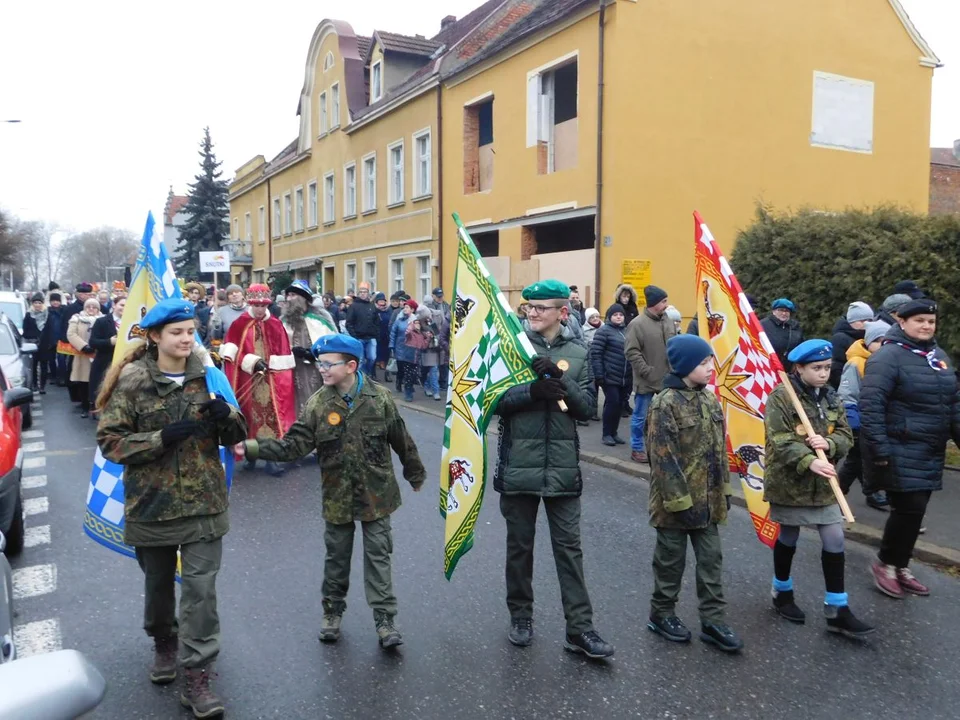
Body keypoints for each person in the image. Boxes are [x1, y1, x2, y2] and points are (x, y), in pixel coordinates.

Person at [96, 298, 247, 719]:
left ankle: (197, 672)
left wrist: (226, 416)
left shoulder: (208, 374)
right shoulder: (131, 381)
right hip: (153, 504)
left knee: (201, 591)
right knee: (159, 588)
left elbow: (236, 432)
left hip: (204, 502)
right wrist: (162, 437)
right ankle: (164, 642)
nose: (186, 339)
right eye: (177, 332)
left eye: (190, 331)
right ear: (156, 336)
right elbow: (111, 443)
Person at [242, 334, 425, 649]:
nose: (321, 369)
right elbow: (294, 445)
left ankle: (385, 621)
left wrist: (415, 472)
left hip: (377, 494)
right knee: (337, 559)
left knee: (379, 556)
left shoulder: (379, 398)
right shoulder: (318, 403)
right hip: (337, 495)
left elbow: (401, 438)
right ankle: (332, 614)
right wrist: (253, 447)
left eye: (328, 363)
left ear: (351, 366)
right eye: (319, 363)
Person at [493, 279, 614, 659]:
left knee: (569, 550)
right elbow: (492, 401)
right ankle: (521, 616)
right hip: (519, 466)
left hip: (562, 468)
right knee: (519, 548)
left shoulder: (579, 351)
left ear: (563, 312)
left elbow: (585, 408)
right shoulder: (510, 349)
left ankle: (580, 628)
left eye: (541, 307)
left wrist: (559, 380)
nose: (532, 312)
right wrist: (531, 392)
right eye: (529, 306)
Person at [764, 339, 873, 638]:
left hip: (824, 482)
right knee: (789, 533)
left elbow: (846, 435)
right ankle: (781, 591)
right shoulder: (781, 398)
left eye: (827, 368)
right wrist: (809, 460)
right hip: (791, 481)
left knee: (834, 537)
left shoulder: (831, 397)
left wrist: (830, 443)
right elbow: (780, 439)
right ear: (798, 369)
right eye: (816, 368)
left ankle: (836, 607)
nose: (824, 374)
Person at [645, 335, 741, 652]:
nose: (711, 367)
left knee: (711, 562)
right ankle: (662, 613)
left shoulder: (709, 400)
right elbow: (663, 459)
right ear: (686, 366)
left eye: (710, 361)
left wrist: (724, 490)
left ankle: (713, 620)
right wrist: (679, 502)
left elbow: (718, 452)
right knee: (670, 563)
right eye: (703, 363)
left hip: (708, 502)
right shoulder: (665, 403)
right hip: (674, 505)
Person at [861, 298, 960, 599]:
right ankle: (884, 564)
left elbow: (953, 401)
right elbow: (871, 407)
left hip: (929, 449)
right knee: (908, 509)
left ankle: (900, 565)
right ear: (901, 323)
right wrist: (880, 450)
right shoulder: (888, 357)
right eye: (919, 321)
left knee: (915, 513)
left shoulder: (936, 356)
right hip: (898, 446)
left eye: (930, 321)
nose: (927, 326)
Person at [220, 283, 296, 477]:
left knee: (270, 419)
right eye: (257, 305)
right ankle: (251, 456)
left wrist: (275, 369)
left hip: (271, 382)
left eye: (264, 306)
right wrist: (252, 362)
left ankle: (271, 459)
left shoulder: (276, 324)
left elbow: (284, 353)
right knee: (250, 418)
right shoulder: (240, 324)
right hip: (249, 379)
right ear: (250, 304)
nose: (260, 309)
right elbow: (232, 352)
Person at [837, 320, 891, 510]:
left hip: (879, 420)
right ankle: (837, 493)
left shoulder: (888, 362)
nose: (882, 344)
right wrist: (853, 421)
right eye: (878, 340)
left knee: (865, 460)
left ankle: (872, 492)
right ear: (868, 342)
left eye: (887, 340)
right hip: (861, 420)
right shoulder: (856, 362)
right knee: (855, 460)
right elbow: (847, 394)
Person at [624, 285, 675, 464]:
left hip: (667, 379)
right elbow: (631, 352)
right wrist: (646, 370)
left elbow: (674, 344)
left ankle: (659, 448)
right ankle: (637, 448)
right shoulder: (637, 324)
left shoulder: (667, 320)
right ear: (654, 303)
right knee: (640, 416)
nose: (667, 305)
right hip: (646, 380)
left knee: (663, 418)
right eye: (663, 301)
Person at [282, 280, 337, 415]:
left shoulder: (320, 320)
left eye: (293, 295)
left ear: (303, 298)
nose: (289, 299)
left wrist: (313, 354)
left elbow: (333, 344)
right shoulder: (283, 322)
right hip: (294, 370)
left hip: (318, 370)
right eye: (288, 295)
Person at [589, 304, 631, 447]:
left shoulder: (627, 331)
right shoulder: (603, 331)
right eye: (615, 315)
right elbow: (595, 353)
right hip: (610, 375)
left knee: (620, 405)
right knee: (612, 403)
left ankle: (614, 433)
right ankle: (606, 434)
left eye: (621, 314)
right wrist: (599, 374)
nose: (618, 317)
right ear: (609, 317)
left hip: (625, 376)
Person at [89, 294, 126, 414]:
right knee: (103, 388)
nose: (124, 308)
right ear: (114, 305)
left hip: (125, 362)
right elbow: (93, 342)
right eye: (121, 305)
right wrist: (109, 342)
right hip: (105, 361)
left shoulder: (132, 323)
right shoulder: (102, 321)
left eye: (127, 306)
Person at [67, 297, 103, 418]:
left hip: (99, 354)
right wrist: (83, 346)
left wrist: (98, 346)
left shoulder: (103, 319)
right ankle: (84, 405)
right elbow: (71, 334)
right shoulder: (76, 319)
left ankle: (96, 405)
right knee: (83, 382)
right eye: (88, 307)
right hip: (82, 355)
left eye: (94, 307)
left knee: (98, 381)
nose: (91, 309)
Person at [59, 282, 93, 395]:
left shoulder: (98, 307)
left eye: (88, 294)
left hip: (94, 344)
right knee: (75, 371)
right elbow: (65, 328)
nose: (86, 296)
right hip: (76, 346)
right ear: (78, 294)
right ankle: (77, 396)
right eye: (83, 294)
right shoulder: (70, 309)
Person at [829, 301, 873, 390]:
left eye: (870, 320)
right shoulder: (840, 339)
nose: (867, 324)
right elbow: (836, 368)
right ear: (851, 321)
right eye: (862, 321)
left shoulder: (870, 337)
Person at [345, 283, 380, 375]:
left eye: (365, 292)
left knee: (372, 357)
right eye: (361, 292)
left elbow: (377, 321)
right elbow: (348, 323)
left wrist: (376, 332)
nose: (363, 294)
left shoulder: (372, 306)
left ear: (368, 293)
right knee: (360, 360)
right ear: (358, 293)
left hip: (371, 337)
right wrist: (354, 336)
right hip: (359, 337)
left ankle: (366, 374)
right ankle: (360, 377)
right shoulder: (354, 306)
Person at [760, 298, 804, 369]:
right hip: (767, 367)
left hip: (788, 369)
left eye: (786, 311)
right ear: (773, 311)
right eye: (780, 310)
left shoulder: (795, 326)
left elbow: (800, 346)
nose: (784, 313)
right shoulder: (763, 325)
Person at [23, 293, 52, 394]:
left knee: (44, 365)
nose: (37, 305)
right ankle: (34, 384)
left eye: (39, 303)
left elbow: (50, 328)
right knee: (34, 365)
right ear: (32, 304)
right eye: (35, 302)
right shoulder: (28, 314)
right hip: (32, 344)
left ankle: (42, 386)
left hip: (44, 343)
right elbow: (25, 330)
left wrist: (49, 341)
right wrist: (32, 337)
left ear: (42, 304)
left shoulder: (47, 314)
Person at [390, 300, 417, 401]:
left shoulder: (416, 321)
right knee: (402, 369)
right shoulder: (399, 321)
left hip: (413, 349)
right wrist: (392, 346)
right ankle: (400, 382)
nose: (405, 309)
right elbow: (393, 333)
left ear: (412, 310)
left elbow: (423, 332)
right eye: (404, 307)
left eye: (407, 307)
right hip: (400, 348)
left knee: (411, 372)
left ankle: (408, 391)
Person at [39, 292, 64, 389]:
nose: (55, 303)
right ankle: (53, 376)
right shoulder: (47, 312)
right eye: (53, 301)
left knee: (61, 359)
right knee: (51, 360)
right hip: (50, 338)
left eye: (57, 301)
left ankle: (61, 377)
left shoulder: (63, 311)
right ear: (50, 302)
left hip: (61, 338)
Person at [375, 292, 393, 380]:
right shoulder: (375, 311)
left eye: (383, 301)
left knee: (388, 354)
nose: (382, 303)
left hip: (387, 335)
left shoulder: (388, 311)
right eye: (380, 301)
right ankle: (378, 366)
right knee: (378, 353)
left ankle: (387, 373)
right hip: (378, 335)